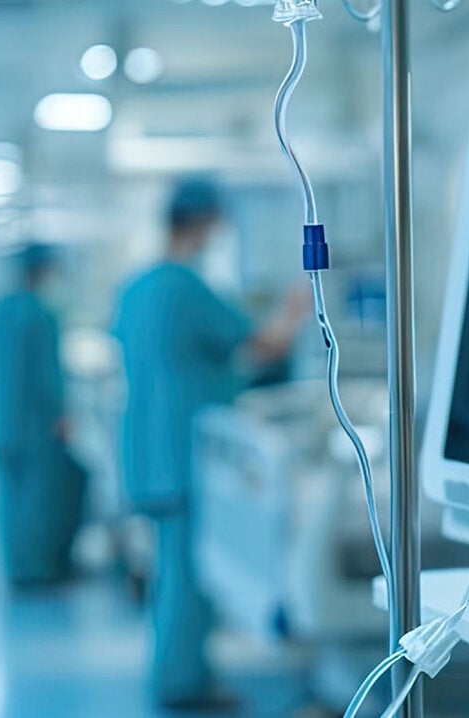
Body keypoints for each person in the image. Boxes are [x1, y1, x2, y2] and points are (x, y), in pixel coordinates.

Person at [114, 178, 304, 710]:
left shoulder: (138, 286)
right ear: (204, 223)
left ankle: (178, 673)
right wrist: (295, 309)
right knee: (185, 575)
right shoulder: (186, 287)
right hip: (182, 454)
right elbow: (262, 346)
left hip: (148, 449)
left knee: (171, 567)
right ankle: (181, 683)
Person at [0, 244, 84, 586]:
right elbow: (47, 375)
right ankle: (39, 571)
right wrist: (61, 415)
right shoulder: (41, 315)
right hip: (36, 425)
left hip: (1, 421)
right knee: (40, 498)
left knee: (12, 498)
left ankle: (17, 566)